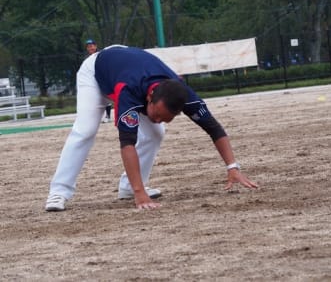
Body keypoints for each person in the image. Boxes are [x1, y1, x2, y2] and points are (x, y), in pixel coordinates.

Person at [45, 45, 258, 212]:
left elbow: (214, 129)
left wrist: (233, 167)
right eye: (156, 115)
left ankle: (129, 187)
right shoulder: (129, 90)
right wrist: (141, 194)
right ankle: (59, 192)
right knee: (86, 130)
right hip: (97, 71)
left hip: (126, 62)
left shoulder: (182, 93)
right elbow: (127, 143)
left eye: (166, 118)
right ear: (149, 98)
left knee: (156, 133)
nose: (157, 119)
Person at [85, 39, 112, 123]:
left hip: (102, 78)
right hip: (92, 80)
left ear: (96, 46)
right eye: (89, 46)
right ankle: (97, 117)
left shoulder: (100, 54)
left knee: (106, 97)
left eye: (92, 45)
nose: (91, 47)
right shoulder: (87, 58)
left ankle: (108, 116)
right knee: (94, 98)